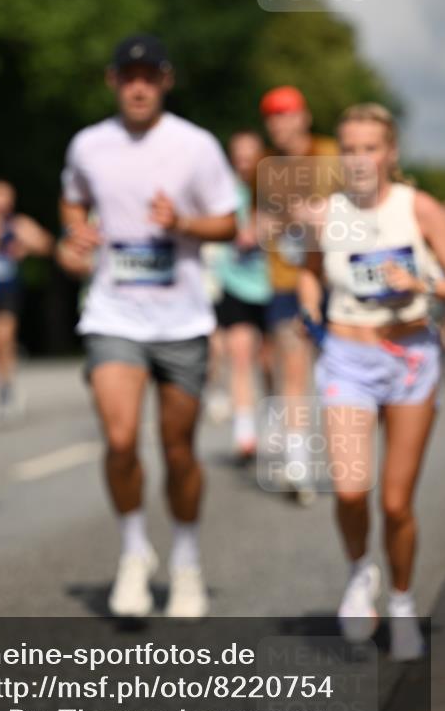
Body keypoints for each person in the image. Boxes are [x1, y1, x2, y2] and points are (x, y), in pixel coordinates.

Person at [58, 34, 238, 619]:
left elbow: (229, 224)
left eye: (150, 75)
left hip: (182, 319)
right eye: (128, 75)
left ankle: (185, 560)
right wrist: (77, 234)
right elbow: (72, 200)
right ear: (113, 81)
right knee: (118, 438)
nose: (139, 85)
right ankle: (135, 551)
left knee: (179, 450)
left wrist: (182, 221)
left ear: (166, 81)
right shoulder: (88, 144)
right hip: (113, 312)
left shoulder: (196, 146)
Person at [298, 103, 445, 660]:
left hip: (410, 359)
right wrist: (311, 316)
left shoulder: (419, 208)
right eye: (350, 149)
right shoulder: (326, 213)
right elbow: (311, 276)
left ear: (390, 153)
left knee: (396, 504)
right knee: (350, 488)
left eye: (370, 148)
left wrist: (421, 283)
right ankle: (361, 572)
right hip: (347, 359)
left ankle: (405, 603)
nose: (360, 159)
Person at [258, 85, 338, 503]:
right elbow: (259, 221)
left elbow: (358, 203)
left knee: (337, 369)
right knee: (292, 363)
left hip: (333, 276)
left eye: (287, 114)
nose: (280, 123)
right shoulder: (265, 167)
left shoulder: (330, 153)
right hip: (287, 276)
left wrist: (324, 214)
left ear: (304, 116)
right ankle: (298, 462)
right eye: (272, 116)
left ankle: (346, 453)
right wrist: (270, 222)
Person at [208, 131, 272, 460]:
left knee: (270, 361)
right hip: (234, 282)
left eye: (251, 154)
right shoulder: (225, 192)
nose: (245, 162)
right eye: (239, 155)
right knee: (240, 353)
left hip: (273, 285)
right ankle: (244, 432)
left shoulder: (276, 187)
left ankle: (275, 425)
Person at [0, 179, 54, 418]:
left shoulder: (17, 224)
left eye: (6, 198)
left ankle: (5, 390)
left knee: (2, 338)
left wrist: (26, 246)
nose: (1, 204)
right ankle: (4, 378)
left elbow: (47, 244)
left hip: (8, 292)